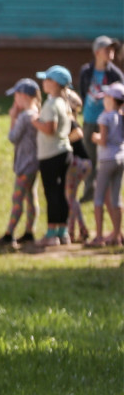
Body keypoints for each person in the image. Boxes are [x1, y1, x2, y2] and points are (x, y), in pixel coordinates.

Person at [0, 79, 41, 248]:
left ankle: (9, 234)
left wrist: (13, 117)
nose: (15, 99)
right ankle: (29, 232)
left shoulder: (25, 116)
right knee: (31, 197)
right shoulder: (36, 113)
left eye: (16, 95)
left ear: (24, 96)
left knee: (18, 198)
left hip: (24, 164)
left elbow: (13, 137)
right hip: (33, 164)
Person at [77, 37, 124, 202]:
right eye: (107, 49)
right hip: (90, 120)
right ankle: (90, 192)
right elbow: (83, 92)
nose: (111, 53)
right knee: (89, 158)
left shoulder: (116, 74)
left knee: (107, 158)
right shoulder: (86, 71)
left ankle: (108, 195)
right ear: (97, 52)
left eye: (113, 50)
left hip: (110, 123)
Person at [33, 66, 75, 247]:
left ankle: (51, 234)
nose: (43, 82)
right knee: (60, 193)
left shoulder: (51, 104)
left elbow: (49, 129)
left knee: (52, 193)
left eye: (46, 79)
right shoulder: (63, 103)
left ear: (55, 83)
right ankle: (62, 231)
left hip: (51, 154)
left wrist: (35, 121)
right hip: (64, 152)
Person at [90, 82, 124, 246]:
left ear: (111, 99)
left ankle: (98, 237)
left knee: (99, 197)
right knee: (116, 198)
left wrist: (95, 137)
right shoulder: (121, 115)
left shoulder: (105, 117)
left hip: (106, 160)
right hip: (120, 158)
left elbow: (103, 140)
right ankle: (117, 235)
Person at [64, 93, 92, 243]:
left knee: (70, 198)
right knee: (72, 198)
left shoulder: (69, 120)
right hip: (85, 163)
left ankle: (74, 230)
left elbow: (79, 133)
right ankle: (78, 229)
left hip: (78, 163)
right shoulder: (73, 119)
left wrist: (64, 142)